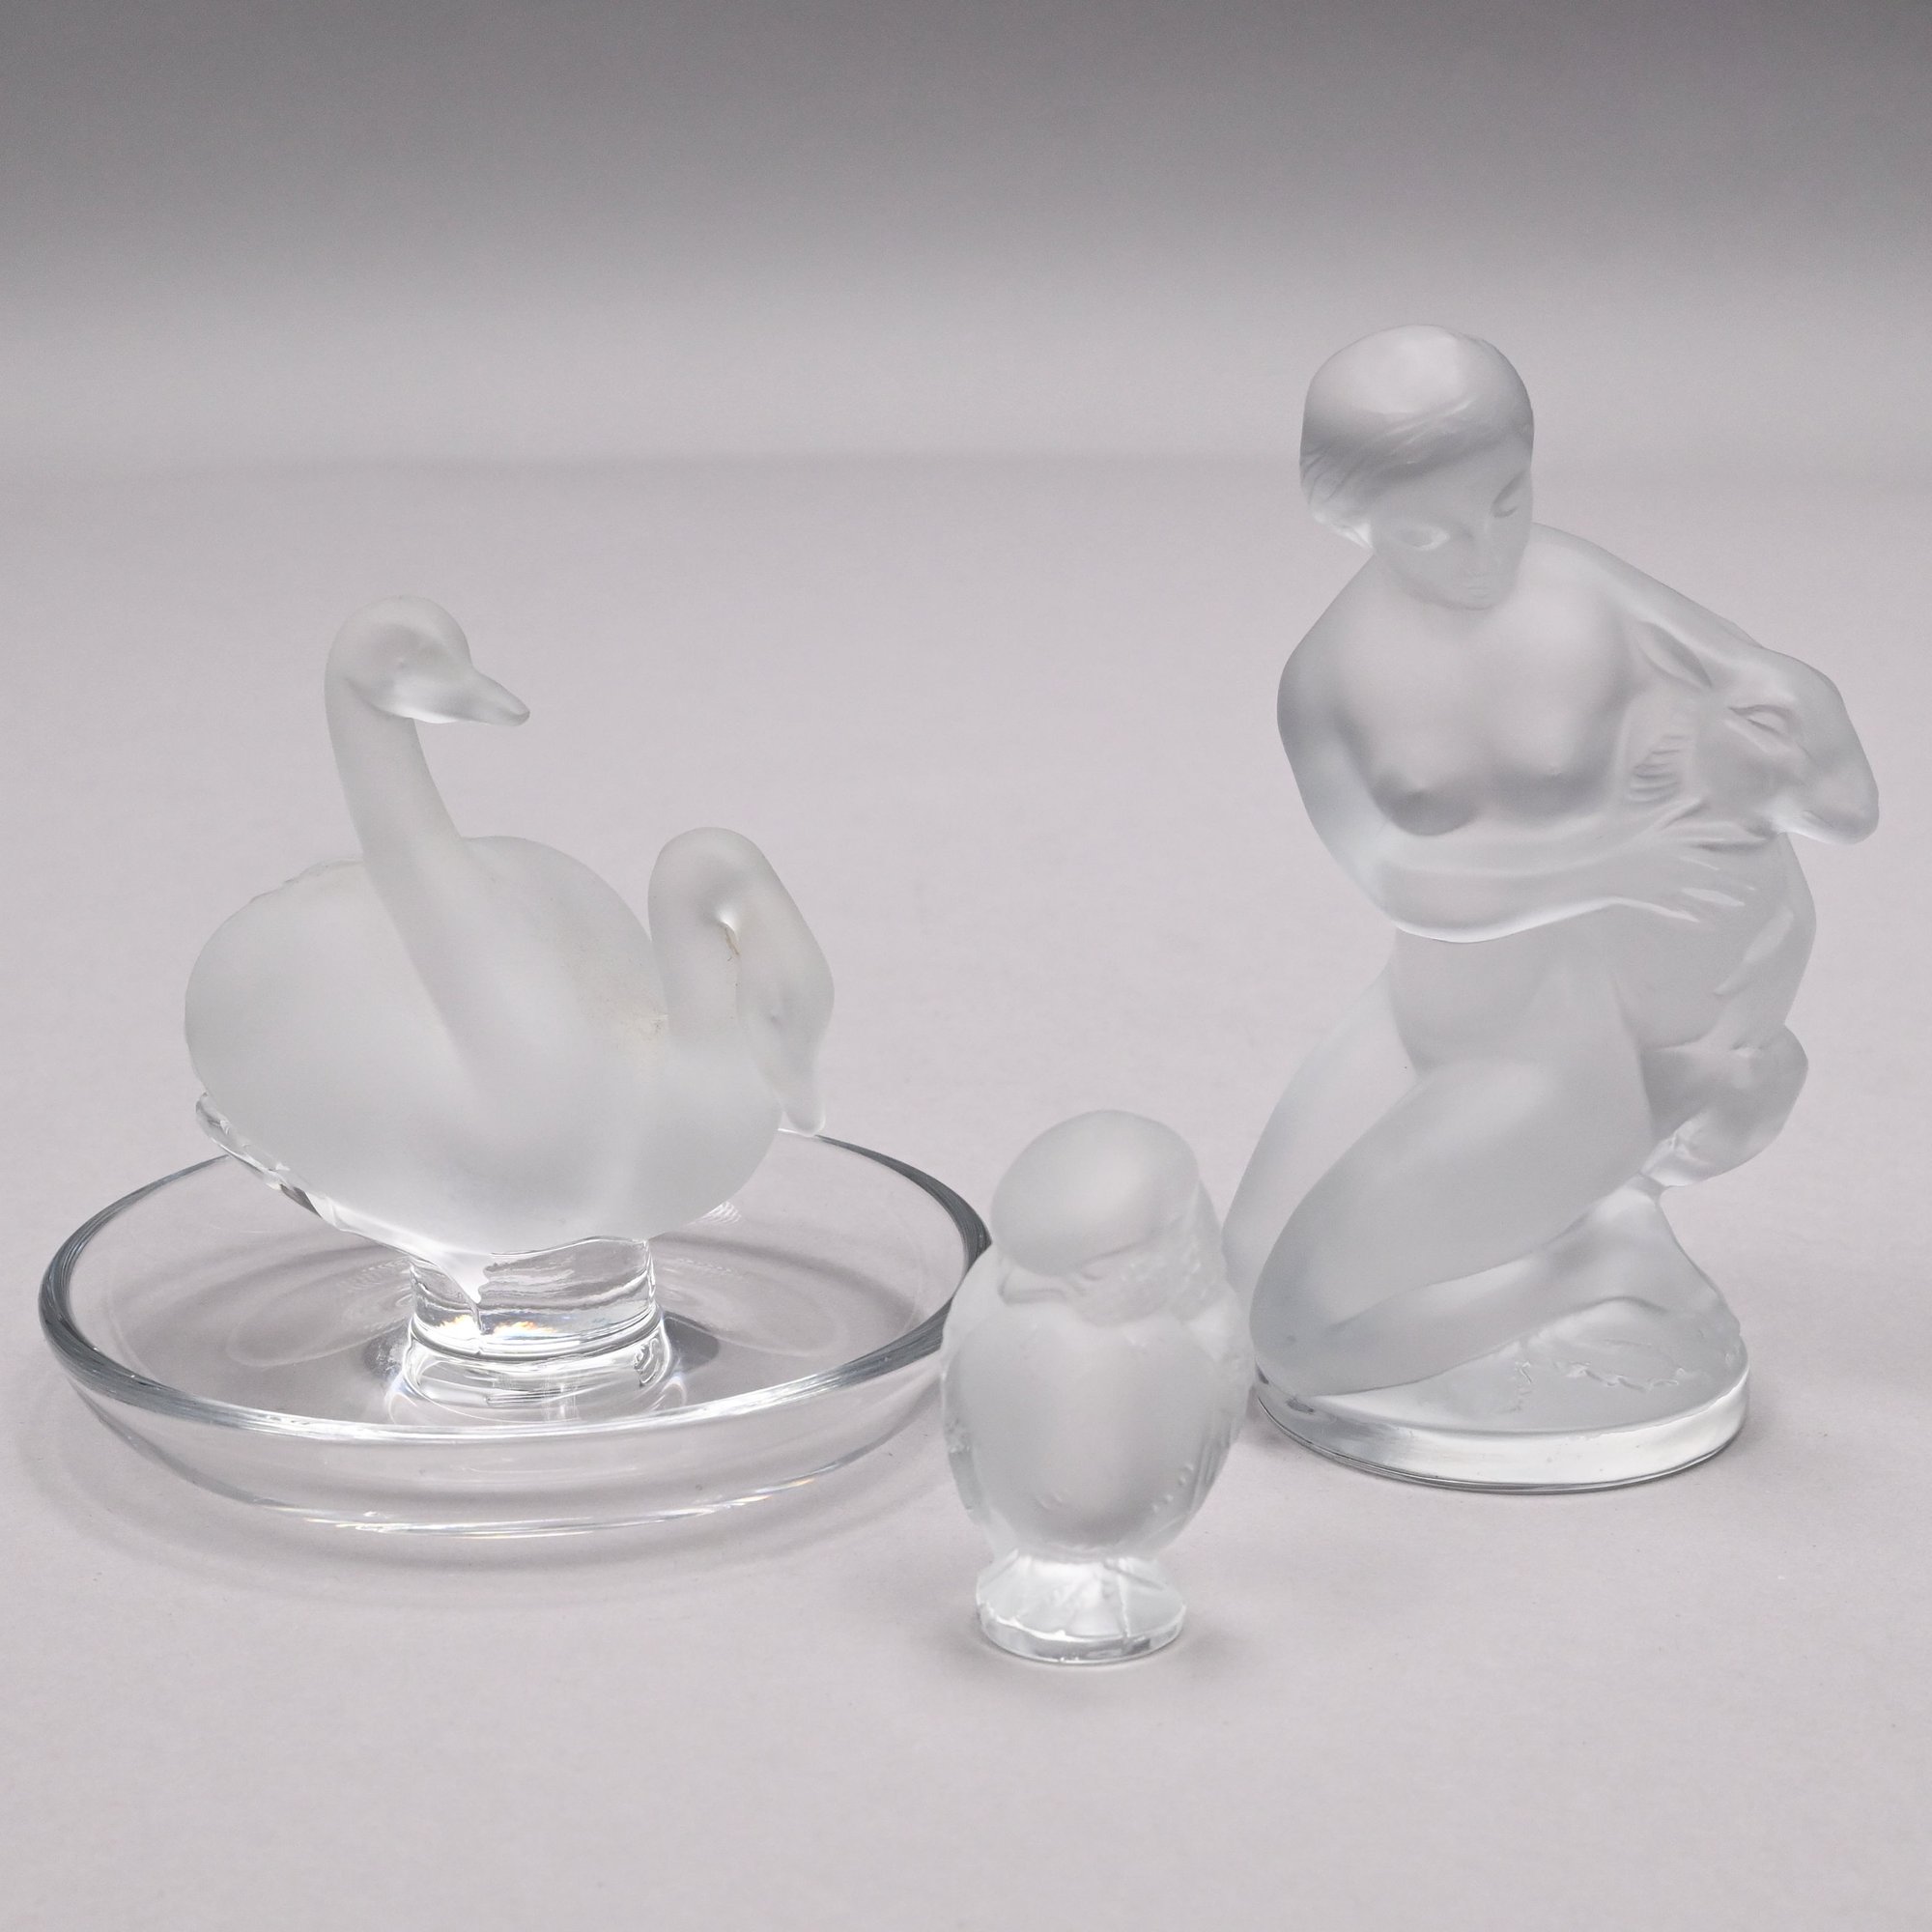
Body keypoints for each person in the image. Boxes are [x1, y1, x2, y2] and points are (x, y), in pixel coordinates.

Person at [1226, 326, 1877, 1403]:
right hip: (1420, 1014)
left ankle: (1600, 1252)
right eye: (1427, 532)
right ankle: (1598, 1230)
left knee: (1302, 1341)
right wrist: (1610, 858)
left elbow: (1779, 699)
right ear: (1350, 516)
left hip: (1559, 1049)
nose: (1483, 549)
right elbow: (1399, 880)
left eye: (1506, 499)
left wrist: (1786, 767)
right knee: (1242, 1293)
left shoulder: (1579, 588)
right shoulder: (1327, 675)